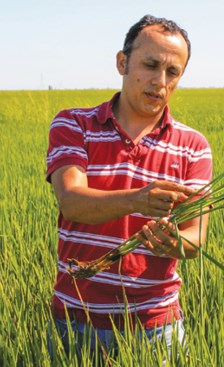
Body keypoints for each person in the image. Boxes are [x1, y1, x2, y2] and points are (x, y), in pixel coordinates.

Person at [46, 14, 212, 359]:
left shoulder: (193, 146)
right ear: (122, 62)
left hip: (156, 327)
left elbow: (196, 240)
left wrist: (174, 242)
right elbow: (72, 201)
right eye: (150, 65)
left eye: (172, 72)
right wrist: (138, 199)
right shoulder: (75, 124)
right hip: (75, 321)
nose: (160, 81)